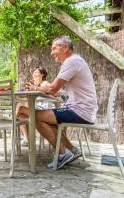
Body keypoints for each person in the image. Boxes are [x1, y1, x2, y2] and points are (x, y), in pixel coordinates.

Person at [34, 36, 98, 170]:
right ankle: (72, 150)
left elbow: (52, 88)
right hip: (84, 110)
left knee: (35, 116)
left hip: (80, 111)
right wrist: (49, 90)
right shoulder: (76, 61)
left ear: (65, 47)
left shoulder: (72, 61)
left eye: (54, 48)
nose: (51, 53)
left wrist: (37, 88)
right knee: (45, 118)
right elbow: (61, 91)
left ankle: (63, 154)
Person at [16, 67, 50, 146]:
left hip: (44, 110)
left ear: (42, 74)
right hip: (37, 108)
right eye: (33, 72)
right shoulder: (36, 84)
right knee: (22, 116)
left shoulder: (45, 83)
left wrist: (35, 88)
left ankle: (13, 125)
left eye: (36, 72)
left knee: (20, 108)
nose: (34, 73)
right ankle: (26, 138)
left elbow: (50, 89)